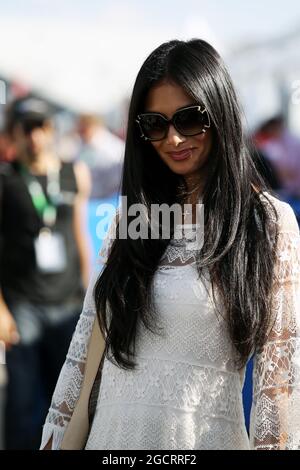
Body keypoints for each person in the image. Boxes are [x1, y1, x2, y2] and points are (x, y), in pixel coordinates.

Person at [41, 39, 300, 450]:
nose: (174, 139)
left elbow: (278, 389)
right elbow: (86, 345)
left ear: (219, 114)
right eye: (155, 124)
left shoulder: (267, 223)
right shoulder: (134, 218)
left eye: (189, 119)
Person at [0, 97, 91, 449]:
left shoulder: (73, 172)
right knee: (23, 403)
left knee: (68, 402)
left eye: (39, 127)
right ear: (14, 135)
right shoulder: (6, 180)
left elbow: (80, 235)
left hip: (68, 302)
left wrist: (89, 296)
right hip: (23, 305)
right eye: (25, 128)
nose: (33, 136)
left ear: (51, 130)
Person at [76, 113, 124, 199]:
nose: (79, 130)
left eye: (83, 127)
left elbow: (117, 180)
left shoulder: (112, 147)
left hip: (108, 201)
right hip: (90, 200)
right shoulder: (81, 144)